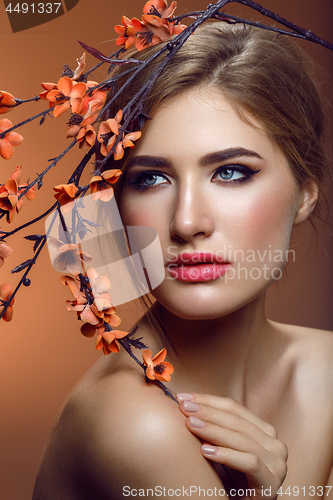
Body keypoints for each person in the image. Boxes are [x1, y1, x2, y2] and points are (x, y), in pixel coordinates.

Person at [32, 21, 333, 500]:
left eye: (231, 172)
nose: (187, 222)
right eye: (150, 179)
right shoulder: (134, 422)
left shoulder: (326, 367)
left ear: (305, 193)